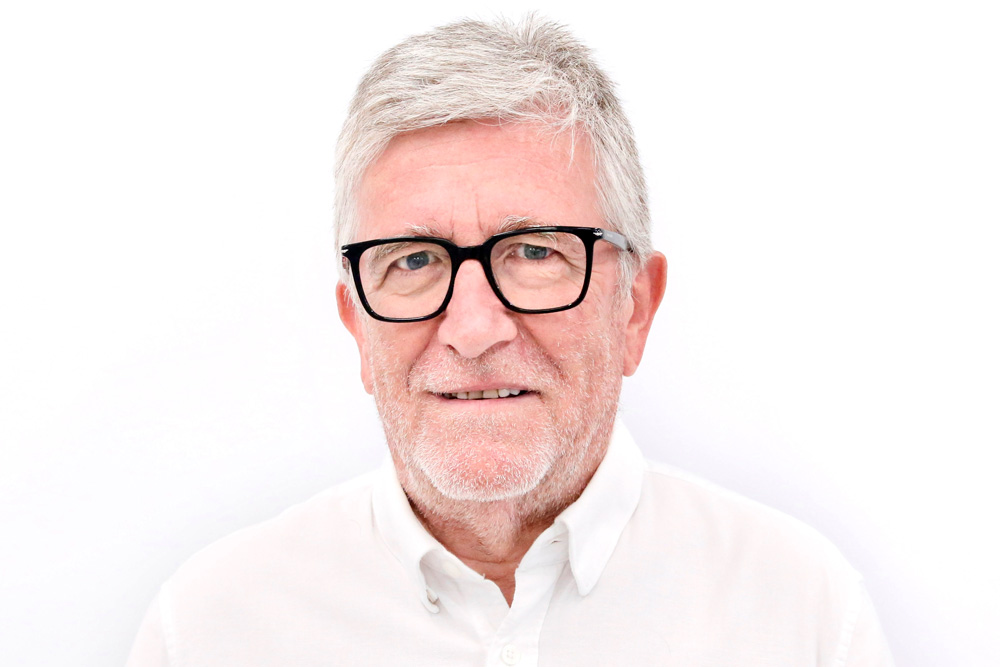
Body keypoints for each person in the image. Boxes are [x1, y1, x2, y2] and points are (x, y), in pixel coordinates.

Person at [127, 15, 894, 666]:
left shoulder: (801, 614)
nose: (472, 330)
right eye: (413, 261)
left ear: (635, 308)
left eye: (533, 252)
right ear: (357, 324)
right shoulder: (210, 630)